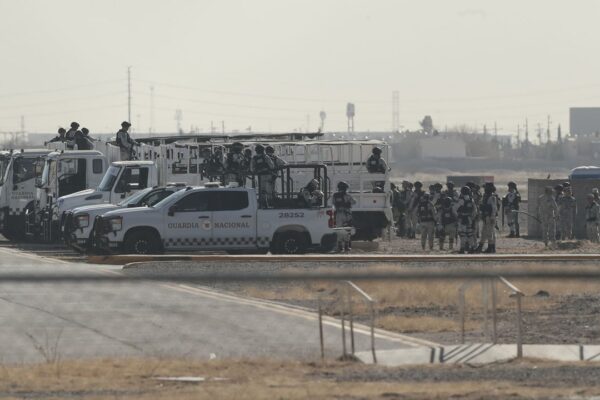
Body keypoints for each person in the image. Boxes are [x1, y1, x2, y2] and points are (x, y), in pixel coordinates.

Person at [454, 186, 477, 254]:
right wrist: (472, 218)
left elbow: (454, 208)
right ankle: (472, 247)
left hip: (462, 219)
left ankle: (462, 248)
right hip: (469, 219)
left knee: (462, 235)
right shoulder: (471, 199)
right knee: (470, 234)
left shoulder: (461, 200)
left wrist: (457, 216)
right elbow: (475, 210)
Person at [477, 182, 498, 253]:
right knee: (484, 232)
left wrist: (492, 216)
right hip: (486, 217)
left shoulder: (492, 197)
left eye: (486, 188)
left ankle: (491, 248)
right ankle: (483, 247)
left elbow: (494, 208)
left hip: (490, 217)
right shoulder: (486, 196)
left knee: (489, 233)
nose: (484, 189)